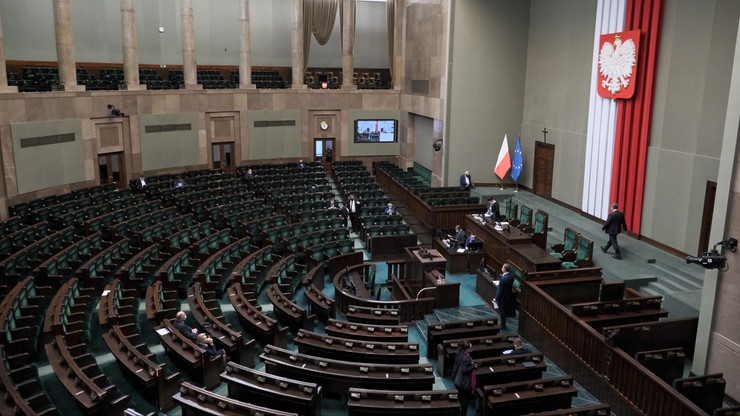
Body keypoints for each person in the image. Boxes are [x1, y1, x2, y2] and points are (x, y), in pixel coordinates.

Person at [451, 341, 477, 416]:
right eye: (470, 348)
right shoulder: (467, 358)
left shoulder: (459, 352)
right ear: (466, 349)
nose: (472, 349)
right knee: (465, 401)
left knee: (459, 396)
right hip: (463, 382)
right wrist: (473, 366)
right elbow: (464, 370)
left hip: (457, 379)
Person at [495, 263, 515, 330]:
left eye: (503, 267)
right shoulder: (511, 275)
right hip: (508, 295)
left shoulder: (504, 279)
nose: (502, 268)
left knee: (502, 312)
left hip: (502, 298)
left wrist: (496, 298)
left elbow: (500, 290)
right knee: (504, 310)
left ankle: (503, 325)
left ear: (505, 269)